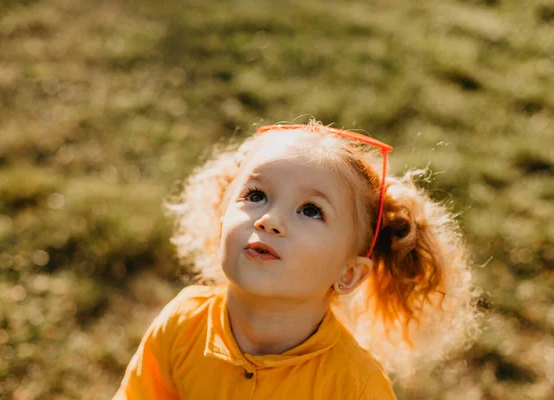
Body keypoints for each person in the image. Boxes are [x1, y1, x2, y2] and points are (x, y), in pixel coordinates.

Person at [112, 121, 478, 399]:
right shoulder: (183, 324)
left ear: (348, 273)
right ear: (219, 219)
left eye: (311, 210)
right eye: (255, 194)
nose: (269, 219)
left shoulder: (354, 386)